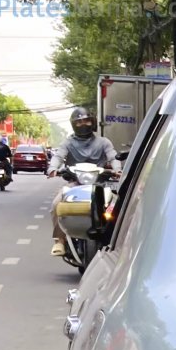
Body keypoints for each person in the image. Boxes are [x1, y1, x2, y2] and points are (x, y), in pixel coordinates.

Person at [48, 106, 119, 256]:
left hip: (100, 184)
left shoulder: (103, 142)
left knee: (116, 205)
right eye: (79, 122)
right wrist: (53, 169)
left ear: (92, 122)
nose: (83, 125)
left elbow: (113, 157)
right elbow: (58, 156)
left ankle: (115, 239)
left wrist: (117, 170)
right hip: (75, 184)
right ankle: (59, 241)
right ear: (74, 125)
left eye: (86, 121)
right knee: (56, 204)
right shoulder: (68, 143)